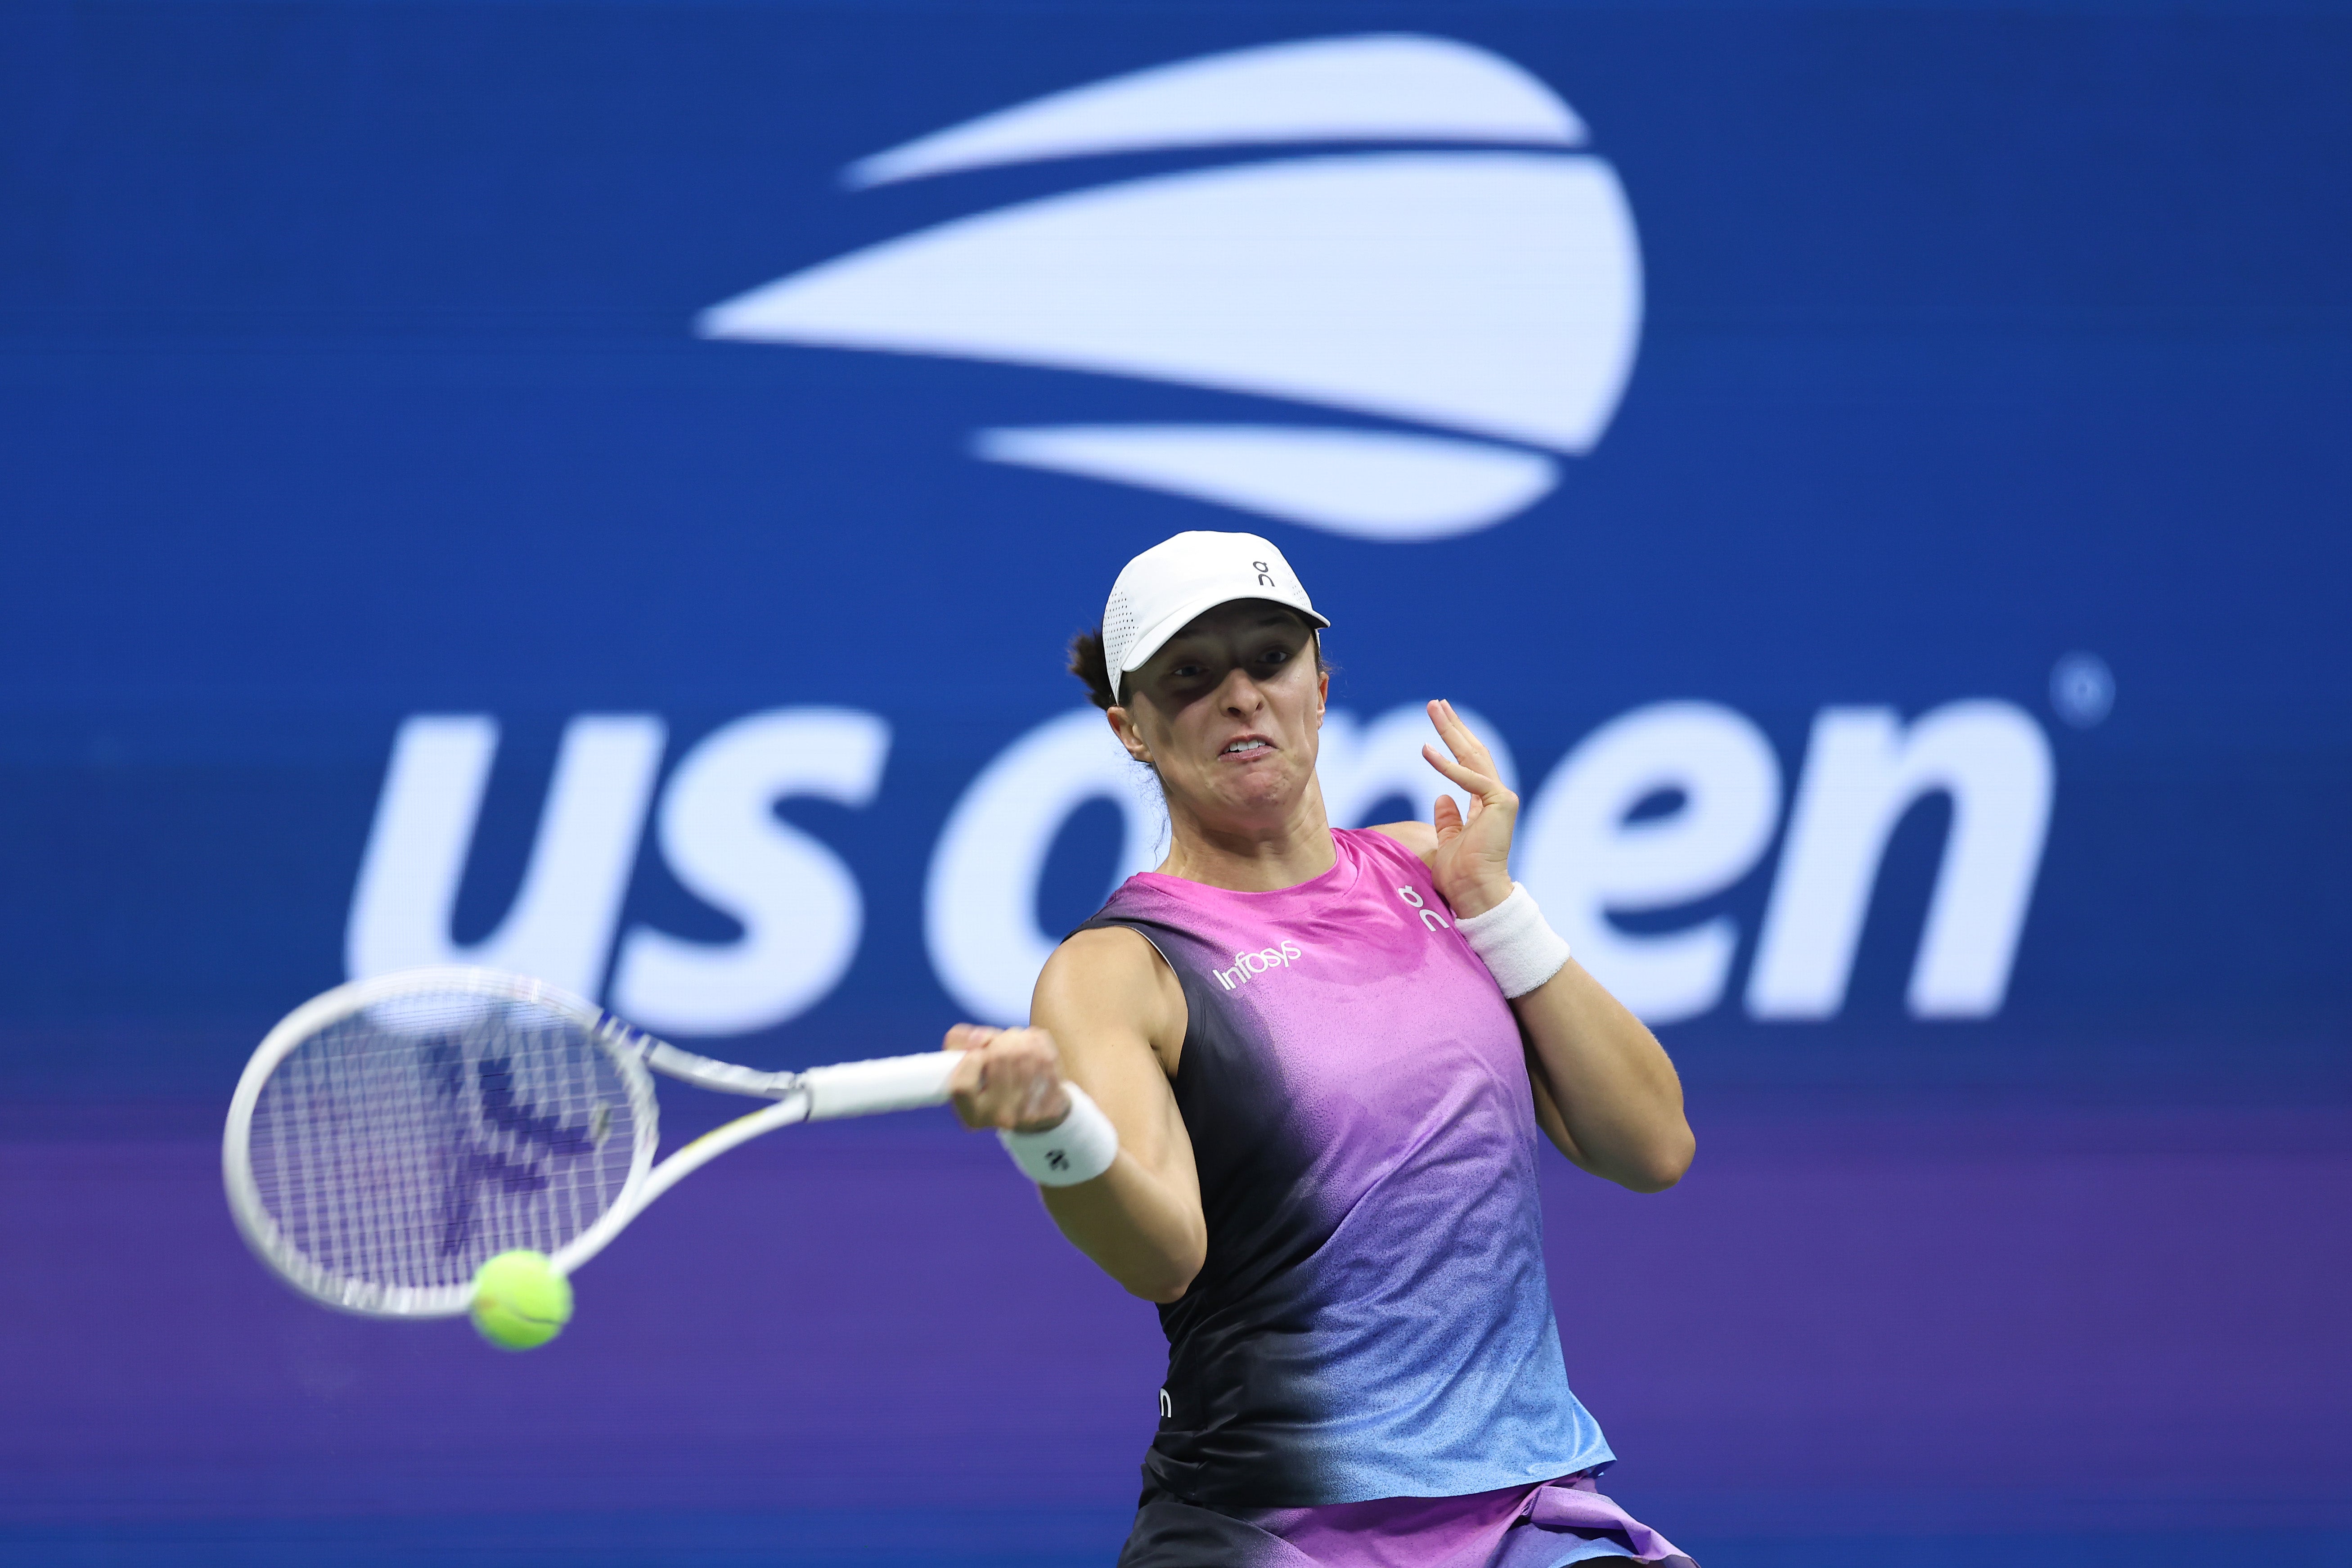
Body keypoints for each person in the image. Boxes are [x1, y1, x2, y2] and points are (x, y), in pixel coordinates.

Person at [944, 531, 1700, 1568]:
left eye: (1269, 658)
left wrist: (1495, 907)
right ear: (1131, 727)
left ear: (1319, 684)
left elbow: (1650, 1146)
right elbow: (1159, 1253)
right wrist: (1050, 1134)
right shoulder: (1121, 969)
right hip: (1270, 1528)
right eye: (1192, 676)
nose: (1242, 695)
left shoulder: (1440, 870)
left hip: (1526, 1514)